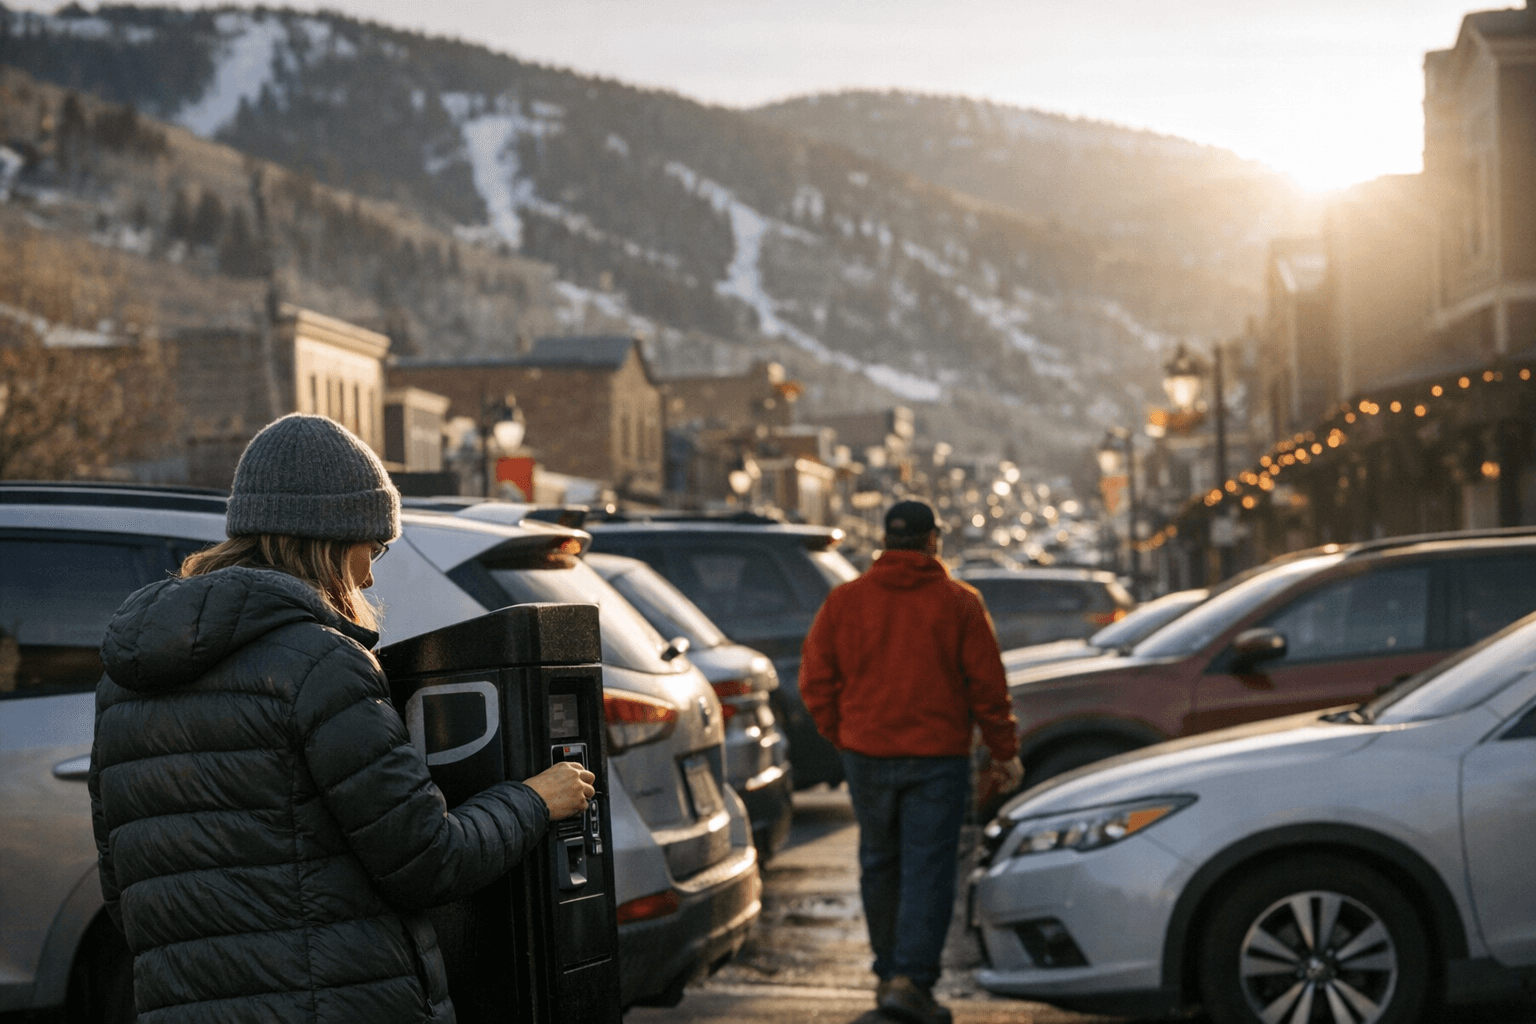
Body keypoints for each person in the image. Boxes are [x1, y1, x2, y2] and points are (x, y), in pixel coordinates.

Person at [88, 413, 593, 1023]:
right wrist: (535, 799)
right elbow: (429, 860)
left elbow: (124, 890)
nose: (372, 573)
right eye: (374, 547)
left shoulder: (122, 681)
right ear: (328, 538)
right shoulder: (322, 664)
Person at [801, 499, 1021, 1024]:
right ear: (931, 541)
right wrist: (1004, 751)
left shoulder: (845, 601)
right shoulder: (960, 603)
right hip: (937, 757)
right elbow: (987, 688)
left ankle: (888, 976)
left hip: (867, 754)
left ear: (885, 541)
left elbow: (815, 682)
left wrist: (846, 734)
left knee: (879, 863)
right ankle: (910, 981)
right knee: (928, 869)